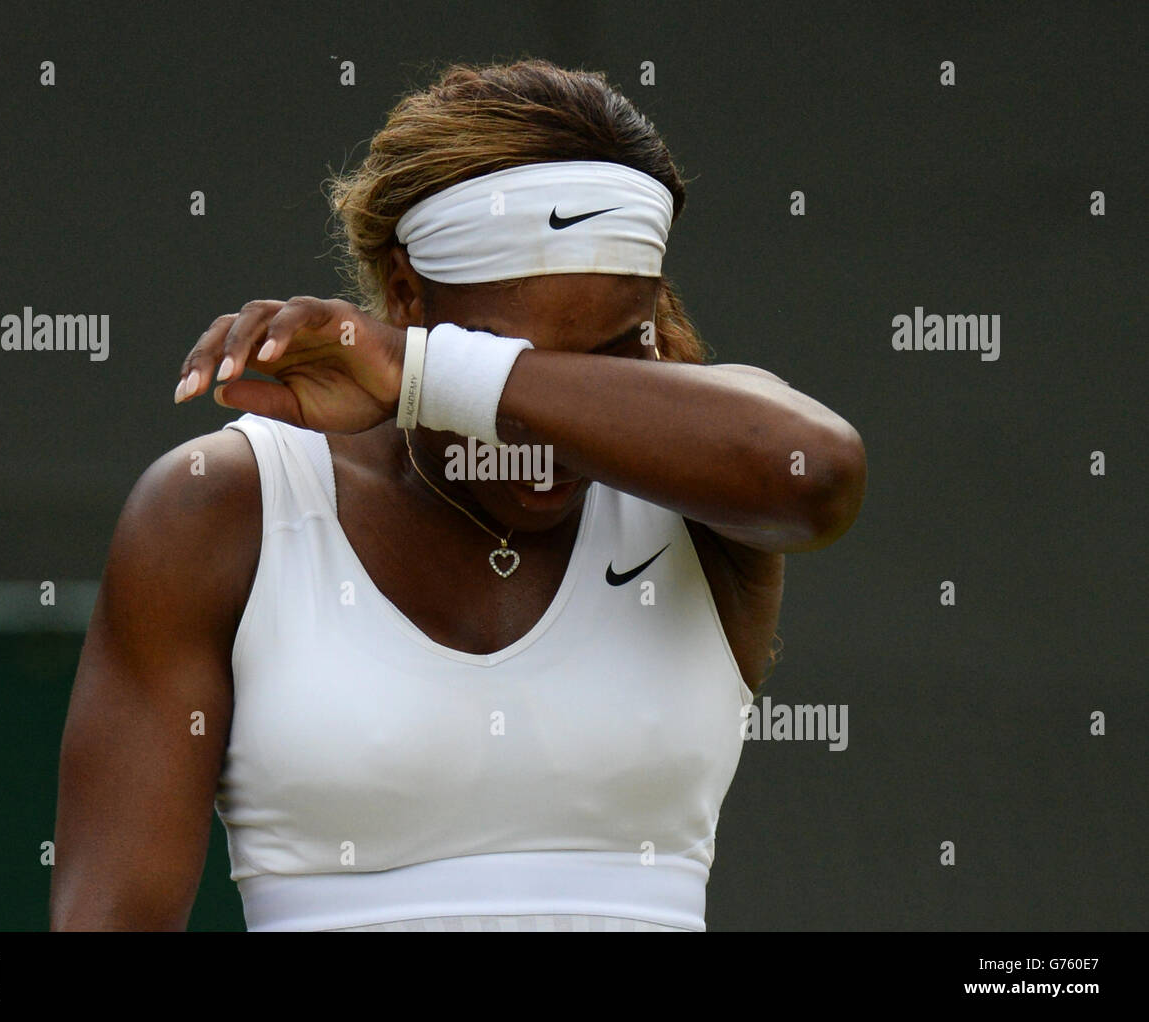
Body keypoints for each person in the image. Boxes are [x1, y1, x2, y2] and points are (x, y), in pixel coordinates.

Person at [49, 59, 866, 932]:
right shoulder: (222, 506)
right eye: (510, 354)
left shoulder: (706, 479)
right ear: (405, 294)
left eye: (615, 353)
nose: (553, 428)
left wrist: (429, 369)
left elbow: (815, 476)